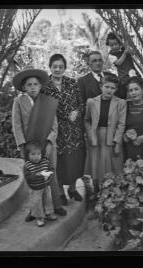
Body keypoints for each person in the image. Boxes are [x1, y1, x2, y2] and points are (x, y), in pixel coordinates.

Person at [11, 66, 67, 219]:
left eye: (35, 84)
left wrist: (50, 142)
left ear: (41, 86)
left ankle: (56, 206)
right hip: (31, 148)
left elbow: (54, 125)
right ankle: (34, 210)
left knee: (50, 174)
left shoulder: (48, 102)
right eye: (29, 85)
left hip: (48, 146)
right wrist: (22, 146)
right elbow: (17, 125)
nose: (33, 87)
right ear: (23, 87)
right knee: (33, 177)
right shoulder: (19, 101)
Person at [40, 54, 85, 206]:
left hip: (74, 131)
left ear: (65, 68)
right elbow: (43, 110)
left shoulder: (72, 83)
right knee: (60, 163)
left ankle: (72, 189)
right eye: (55, 66)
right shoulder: (45, 87)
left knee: (75, 162)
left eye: (61, 66)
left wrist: (77, 112)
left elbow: (81, 103)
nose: (58, 69)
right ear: (50, 67)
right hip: (57, 131)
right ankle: (60, 192)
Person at [84, 73, 127, 192]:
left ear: (116, 89)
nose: (109, 90)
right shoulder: (91, 102)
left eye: (113, 88)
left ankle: (112, 193)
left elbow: (121, 124)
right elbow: (87, 120)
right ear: (101, 86)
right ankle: (97, 191)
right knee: (96, 165)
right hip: (96, 137)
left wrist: (117, 141)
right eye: (107, 87)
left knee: (112, 165)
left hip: (111, 137)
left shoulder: (121, 103)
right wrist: (91, 134)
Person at [23, 140, 58, 227]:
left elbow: (49, 169)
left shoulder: (44, 161)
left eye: (38, 154)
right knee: (37, 202)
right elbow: (28, 177)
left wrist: (49, 174)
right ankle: (39, 217)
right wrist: (38, 175)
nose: (36, 157)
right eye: (33, 154)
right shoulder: (28, 165)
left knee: (48, 200)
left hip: (46, 186)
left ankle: (48, 213)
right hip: (35, 188)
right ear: (28, 155)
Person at [123, 76, 143, 161]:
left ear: (142, 90)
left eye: (136, 89)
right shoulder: (124, 106)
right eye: (130, 90)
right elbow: (119, 126)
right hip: (129, 149)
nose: (133, 92)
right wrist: (125, 136)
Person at [106, 32, 141, 99]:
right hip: (124, 76)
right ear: (109, 45)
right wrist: (125, 53)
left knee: (138, 86)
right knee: (127, 91)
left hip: (133, 72)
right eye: (112, 45)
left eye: (116, 44)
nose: (114, 46)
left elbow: (133, 53)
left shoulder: (124, 49)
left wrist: (129, 48)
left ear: (120, 43)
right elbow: (118, 63)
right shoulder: (111, 55)